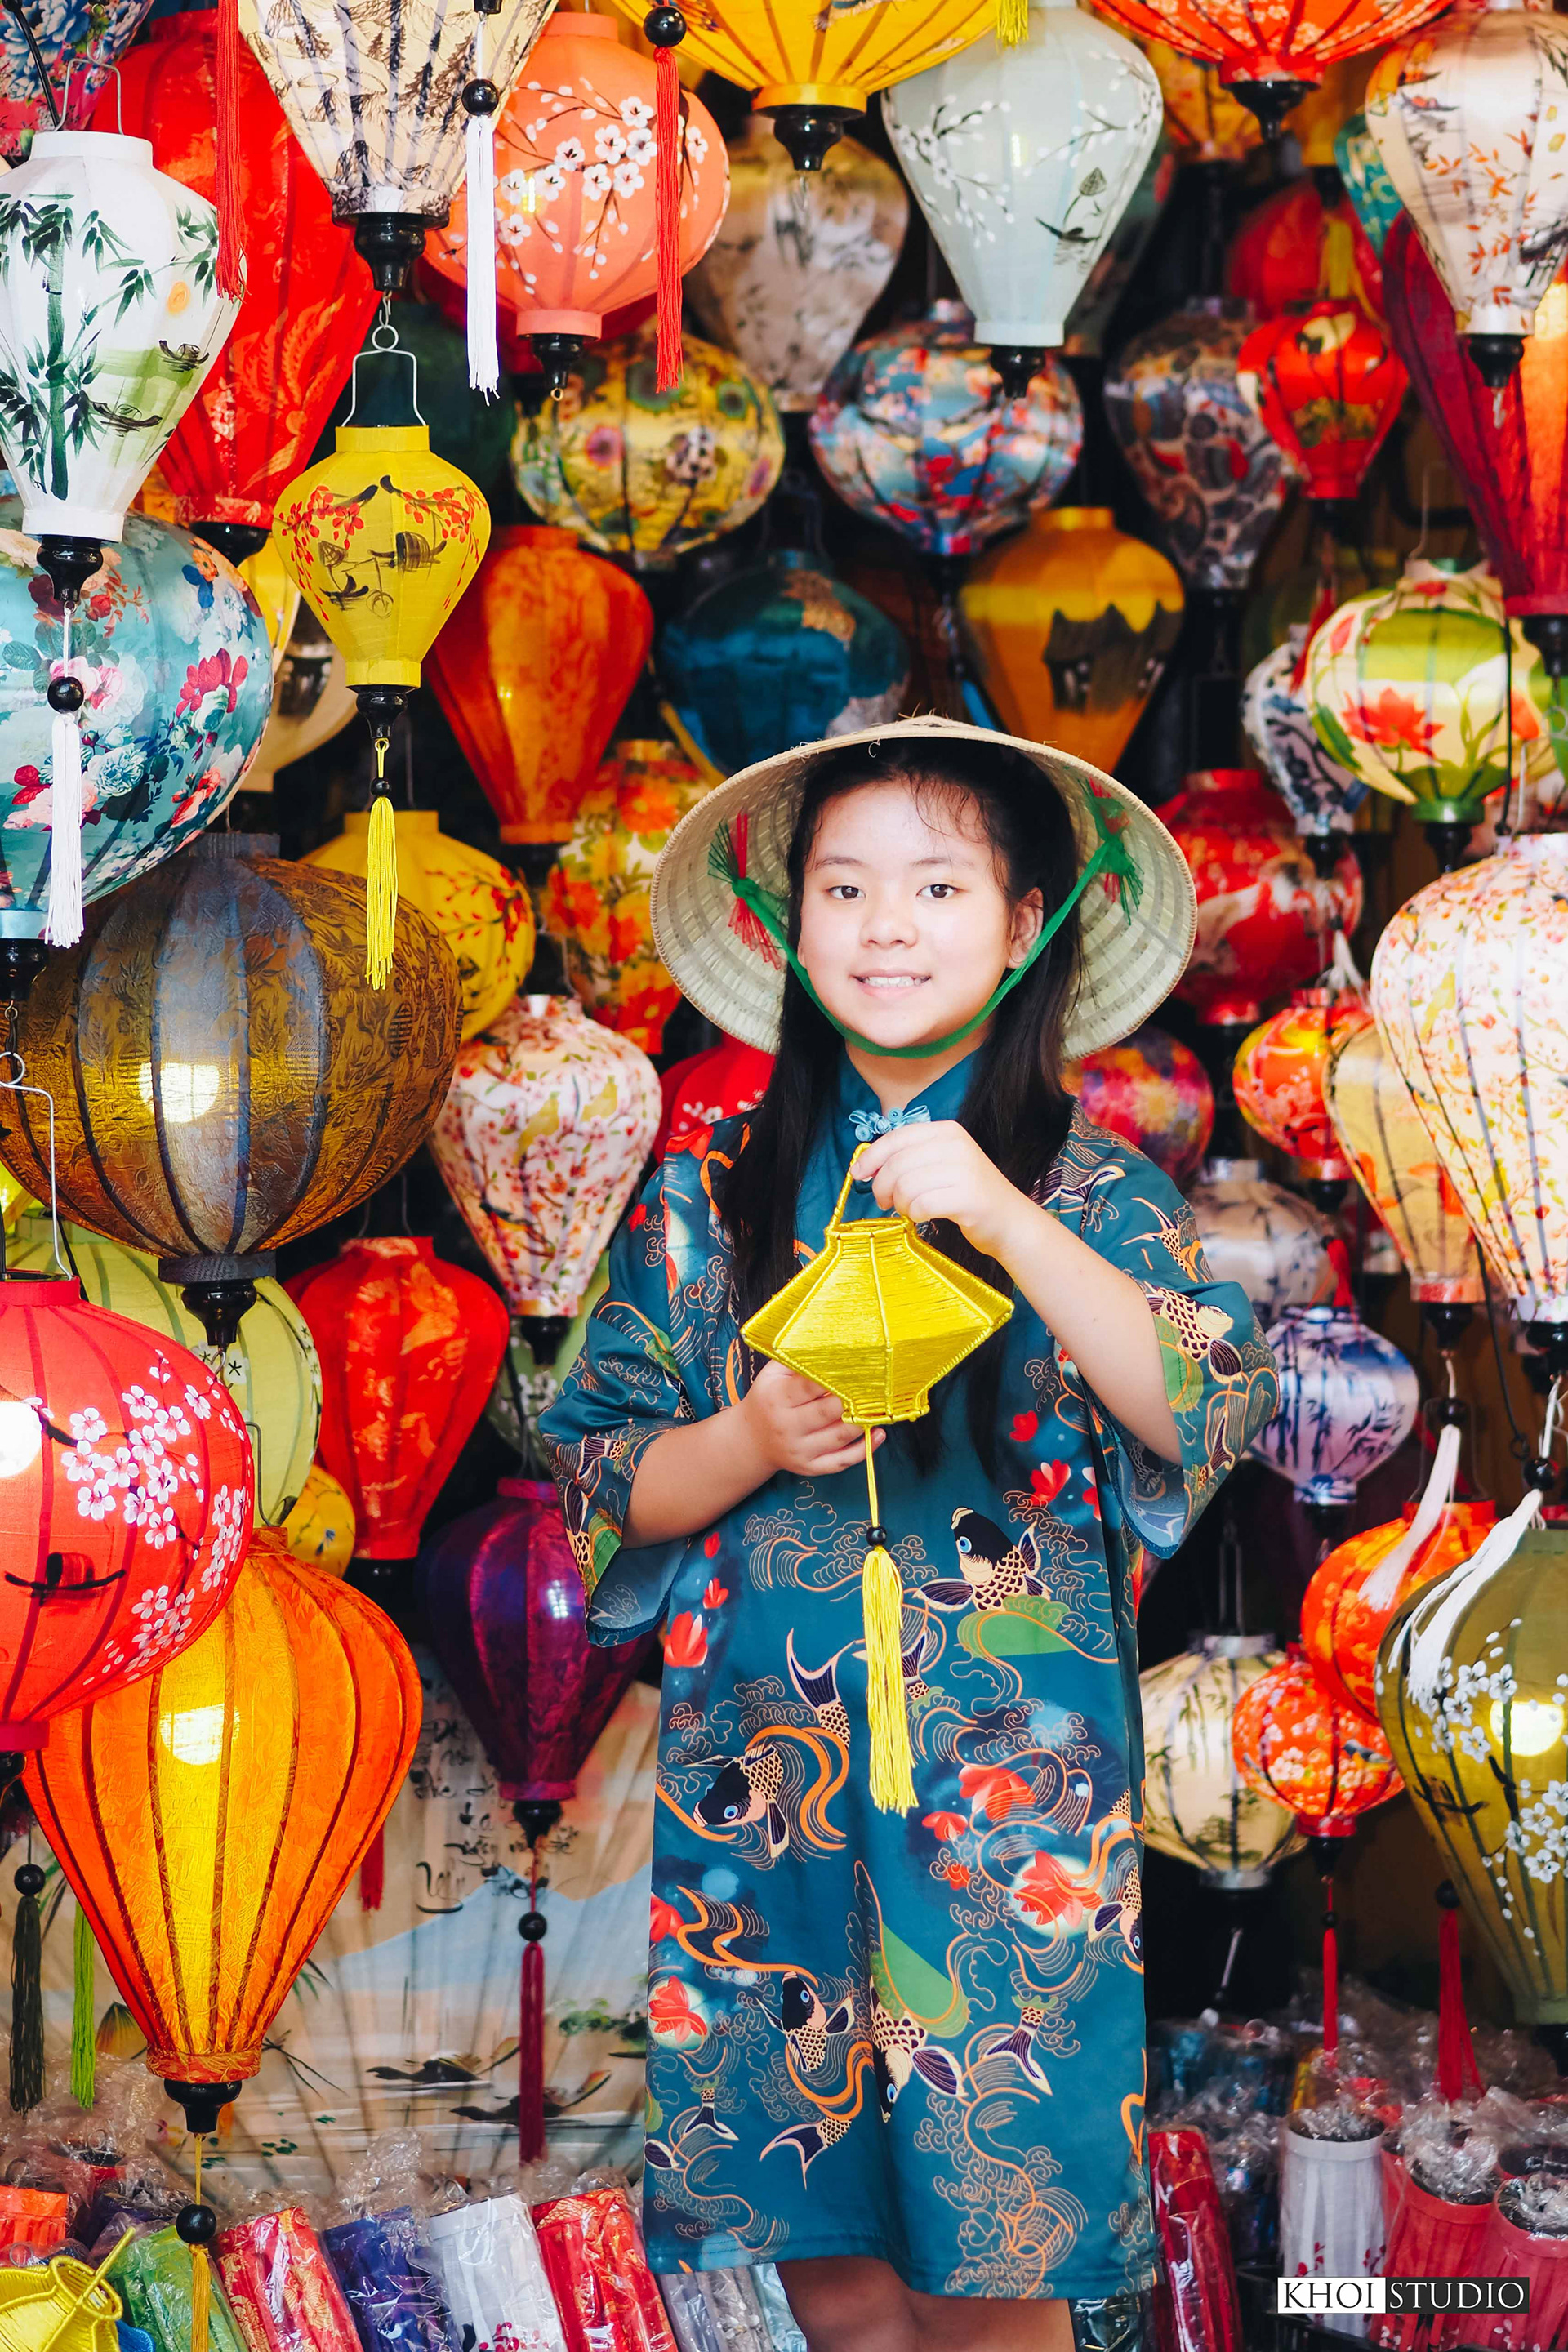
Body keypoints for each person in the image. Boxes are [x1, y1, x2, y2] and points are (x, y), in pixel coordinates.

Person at [541, 720, 1277, 2352]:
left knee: (997, 2291)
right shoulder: (704, 1190)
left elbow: (1205, 1405)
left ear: (1023, 927)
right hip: (760, 1815)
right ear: (788, 926)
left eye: (939, 886)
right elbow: (598, 1474)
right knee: (845, 2296)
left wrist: (1002, 1213)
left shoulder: (1094, 1188)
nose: (885, 924)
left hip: (1011, 1820)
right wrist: (746, 1437)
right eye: (846, 885)